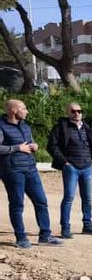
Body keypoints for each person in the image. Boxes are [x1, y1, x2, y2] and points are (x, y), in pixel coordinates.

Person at [0, 99, 64, 249]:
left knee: (41, 201)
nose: (27, 111)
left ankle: (45, 236)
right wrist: (17, 148)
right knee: (17, 204)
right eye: (24, 108)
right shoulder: (1, 126)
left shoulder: (25, 126)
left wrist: (34, 146)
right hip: (12, 171)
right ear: (14, 110)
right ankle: (21, 238)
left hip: (30, 169)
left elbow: (30, 142)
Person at [48, 102, 92, 238]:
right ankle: (65, 228)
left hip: (87, 168)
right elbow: (52, 146)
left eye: (79, 111)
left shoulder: (88, 128)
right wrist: (65, 162)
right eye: (73, 111)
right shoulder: (60, 127)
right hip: (71, 168)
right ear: (68, 112)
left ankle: (87, 225)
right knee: (68, 198)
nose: (77, 113)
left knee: (88, 198)